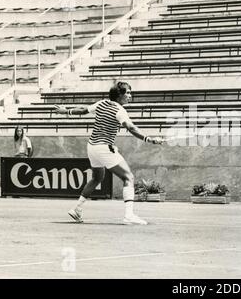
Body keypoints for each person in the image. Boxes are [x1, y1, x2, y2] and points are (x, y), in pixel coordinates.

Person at [54, 81, 163, 225]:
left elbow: (83, 110)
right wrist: (149, 139)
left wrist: (66, 111)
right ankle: (129, 215)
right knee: (128, 177)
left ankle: (77, 209)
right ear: (119, 95)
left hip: (92, 147)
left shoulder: (101, 103)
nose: (130, 96)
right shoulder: (120, 110)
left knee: (97, 178)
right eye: (128, 93)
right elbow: (131, 128)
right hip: (104, 147)